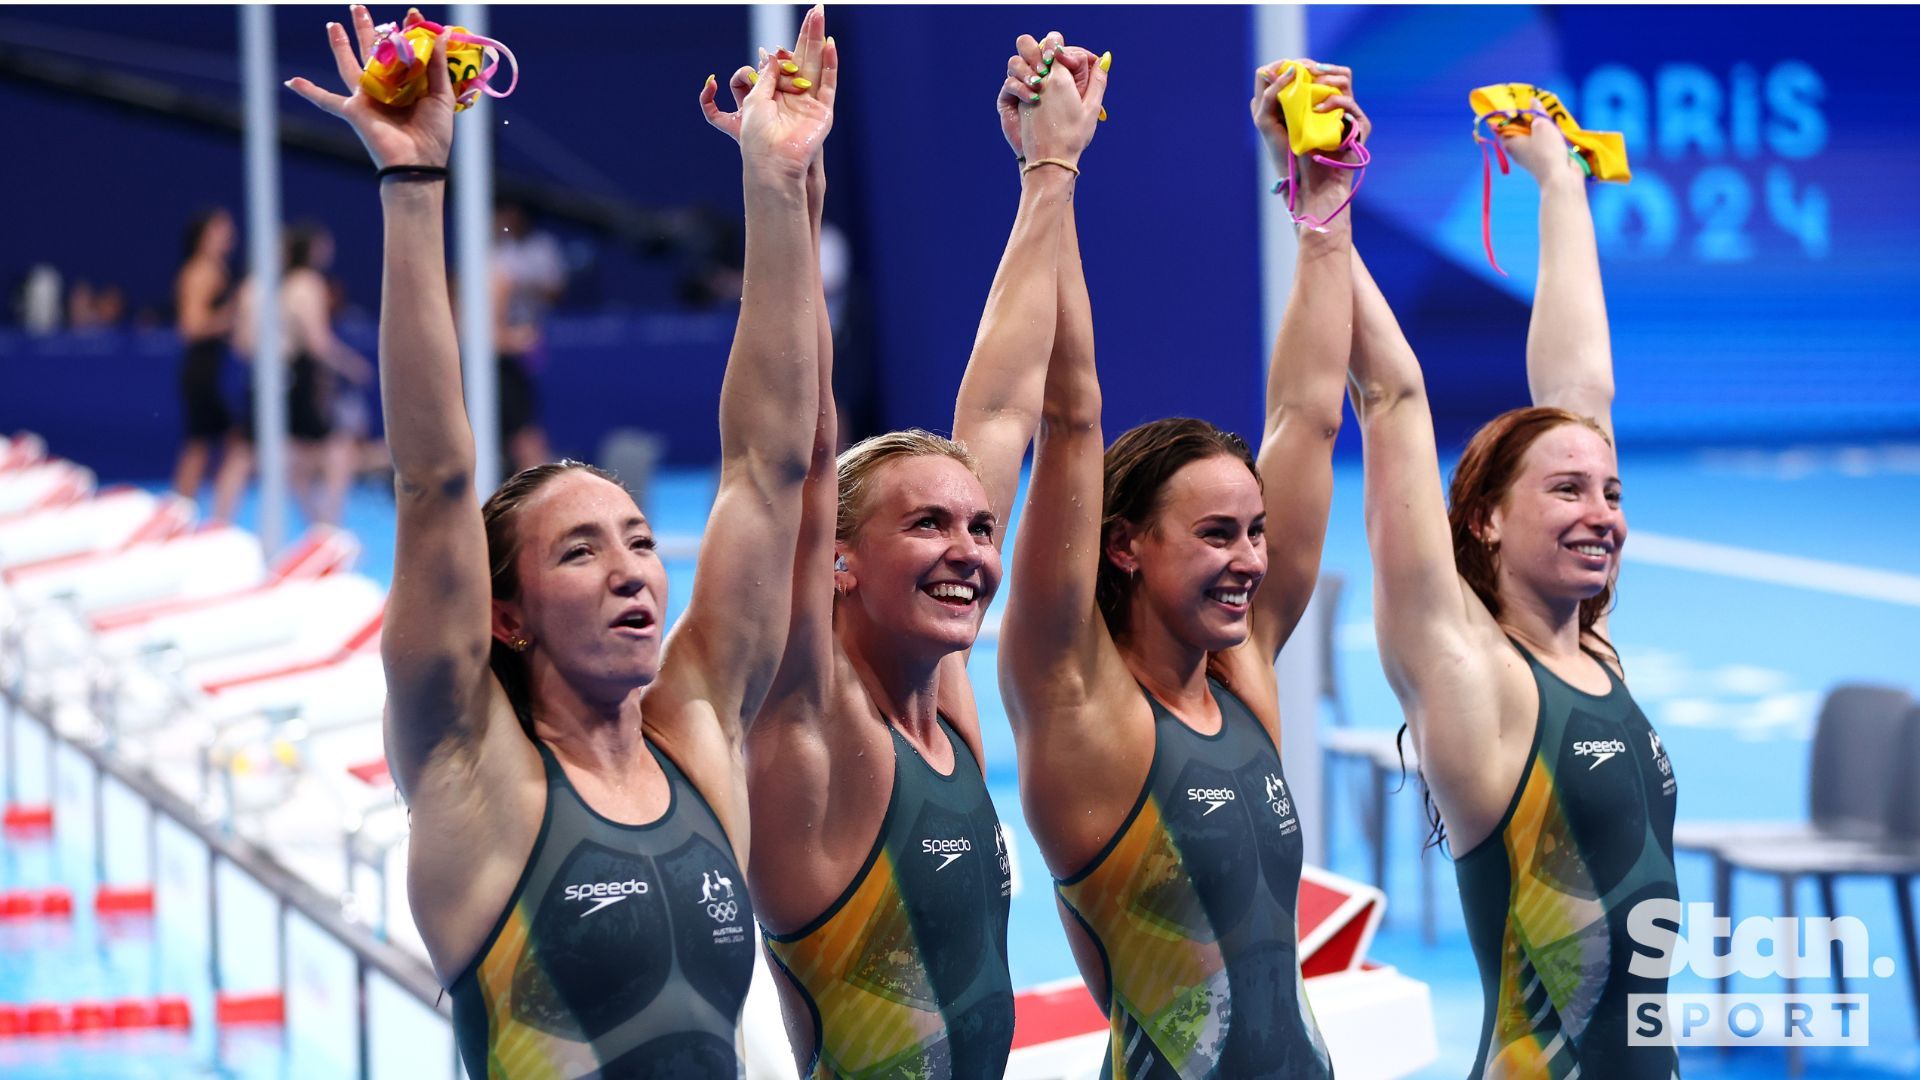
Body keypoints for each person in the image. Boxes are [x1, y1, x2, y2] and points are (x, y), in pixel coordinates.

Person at [287, 5, 830, 1074]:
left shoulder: (698, 743)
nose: (631, 567)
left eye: (635, 540)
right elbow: (435, 480)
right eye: (579, 551)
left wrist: (774, 186)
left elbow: (768, 469)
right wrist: (413, 187)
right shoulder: (469, 771)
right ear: (506, 615)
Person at [699, 26, 1103, 1075]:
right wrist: (784, 199)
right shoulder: (812, 729)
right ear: (837, 561)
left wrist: (1049, 169)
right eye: (926, 525)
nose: (970, 548)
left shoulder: (946, 705)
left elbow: (1009, 401)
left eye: (977, 526)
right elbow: (795, 445)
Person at [998, 54, 1365, 1078]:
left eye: (1253, 531)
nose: (1251, 559)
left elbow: (1307, 415)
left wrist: (1321, 209)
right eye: (1215, 535)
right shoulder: (1078, 705)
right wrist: (1052, 173)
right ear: (1124, 544)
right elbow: (1068, 417)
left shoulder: (1243, 675)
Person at [1346, 112, 1678, 1076]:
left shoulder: (1594, 651)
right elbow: (1394, 400)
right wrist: (1324, 216)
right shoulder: (1470, 677)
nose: (1602, 512)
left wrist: (1559, 184)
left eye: (1611, 492)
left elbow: (1582, 396)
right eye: (1567, 491)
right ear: (1486, 518)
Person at [231, 222, 375, 527]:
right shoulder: (304, 285)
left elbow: (242, 345)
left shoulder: (254, 288)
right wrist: (352, 366)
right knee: (333, 449)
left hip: (264, 377)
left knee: (279, 455)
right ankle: (328, 525)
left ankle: (318, 523)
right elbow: (317, 342)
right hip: (294, 376)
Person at [170, 208, 253, 522]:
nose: (230, 232)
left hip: (214, 371)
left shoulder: (216, 269)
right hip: (202, 373)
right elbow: (190, 326)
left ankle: (202, 514)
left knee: (215, 443)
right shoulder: (200, 272)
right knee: (203, 445)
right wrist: (234, 312)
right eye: (222, 227)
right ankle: (184, 515)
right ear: (205, 234)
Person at [491, 199, 562, 473]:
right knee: (528, 444)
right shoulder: (498, 271)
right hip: (497, 370)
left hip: (493, 369)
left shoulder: (493, 265)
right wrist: (521, 339)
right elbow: (485, 336)